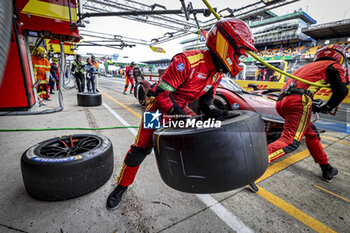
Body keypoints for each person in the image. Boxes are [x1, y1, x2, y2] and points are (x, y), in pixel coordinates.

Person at [106, 18, 258, 210]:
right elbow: (162, 95)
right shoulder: (186, 61)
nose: (240, 59)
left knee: (207, 139)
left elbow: (206, 100)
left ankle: (235, 176)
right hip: (156, 110)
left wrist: (215, 112)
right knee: (140, 149)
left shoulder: (217, 73)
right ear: (225, 45)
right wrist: (183, 117)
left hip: (181, 109)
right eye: (239, 53)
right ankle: (121, 187)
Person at [268, 44, 348, 182]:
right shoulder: (333, 65)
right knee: (290, 141)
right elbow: (342, 91)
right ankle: (251, 164)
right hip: (298, 101)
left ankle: (326, 167)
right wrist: (328, 107)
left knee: (311, 133)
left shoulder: (304, 67)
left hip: (282, 102)